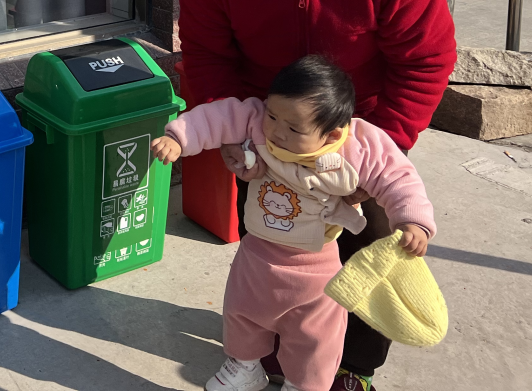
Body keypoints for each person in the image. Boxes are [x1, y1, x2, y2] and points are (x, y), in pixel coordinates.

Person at [179, 0, 456, 391]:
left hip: (362, 123)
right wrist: (233, 133)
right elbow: (208, 54)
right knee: (271, 240)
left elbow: (426, 58)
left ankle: (355, 366)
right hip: (270, 126)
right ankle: (273, 354)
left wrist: (380, 151)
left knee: (371, 248)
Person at [152, 56, 435, 391]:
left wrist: (412, 221)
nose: (276, 131)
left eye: (293, 128)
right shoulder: (257, 120)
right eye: (273, 116)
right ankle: (244, 366)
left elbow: (397, 177)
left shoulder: (356, 147)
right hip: (256, 252)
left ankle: (304, 385)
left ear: (331, 135)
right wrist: (179, 137)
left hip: (314, 268)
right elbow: (218, 116)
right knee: (241, 313)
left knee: (315, 336)